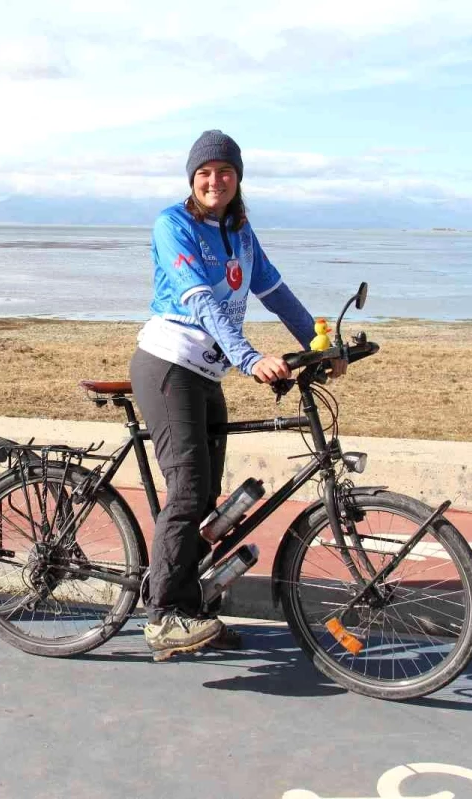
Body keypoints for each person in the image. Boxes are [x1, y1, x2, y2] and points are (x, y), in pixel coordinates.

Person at [129, 129, 344, 661]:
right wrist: (249, 358)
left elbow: (275, 293)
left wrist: (322, 346)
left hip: (205, 375)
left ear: (237, 179)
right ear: (191, 178)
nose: (214, 180)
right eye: (205, 172)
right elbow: (201, 301)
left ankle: (194, 610)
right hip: (168, 365)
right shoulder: (172, 224)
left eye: (224, 172)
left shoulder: (241, 232)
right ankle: (162, 618)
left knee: (206, 501)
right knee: (188, 488)